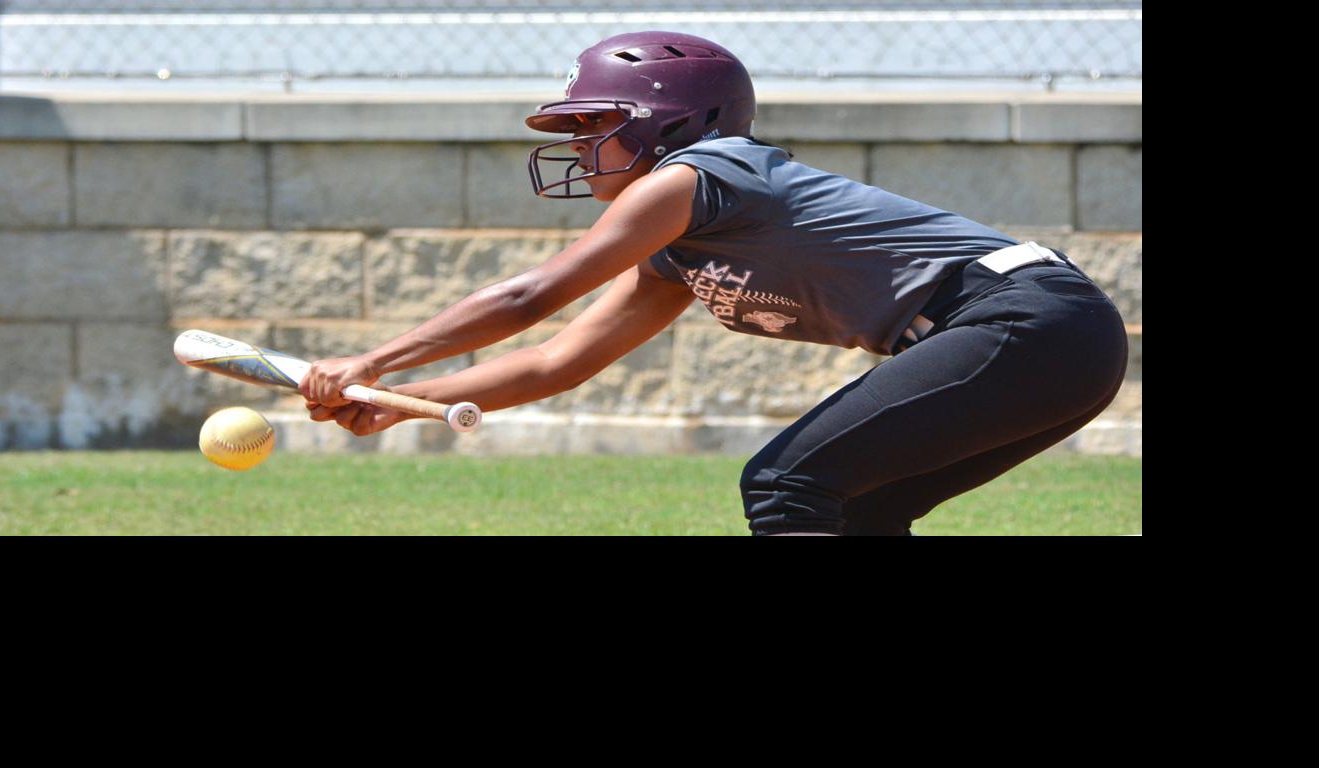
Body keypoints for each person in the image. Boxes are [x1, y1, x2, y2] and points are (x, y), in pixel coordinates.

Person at [301, 31, 1129, 536]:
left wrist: (374, 359)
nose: (581, 144)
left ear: (676, 121)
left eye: (597, 122)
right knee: (856, 513)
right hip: (1051, 338)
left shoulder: (700, 172)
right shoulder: (680, 244)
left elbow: (531, 298)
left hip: (1024, 322)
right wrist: (403, 398)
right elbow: (560, 361)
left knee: (785, 485)